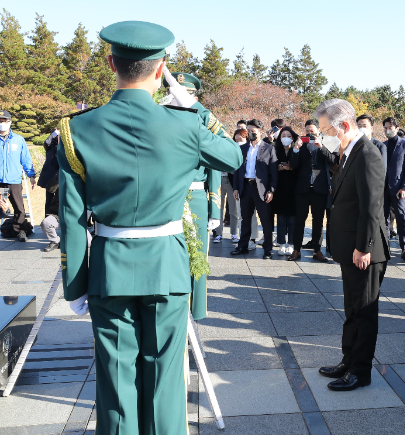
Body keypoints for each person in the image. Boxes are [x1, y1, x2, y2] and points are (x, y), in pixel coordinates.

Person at [57, 21, 242, 435]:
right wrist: (196, 109)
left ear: (111, 64)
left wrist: (75, 285)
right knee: (164, 381)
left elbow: (70, 217)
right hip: (168, 267)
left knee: (117, 385)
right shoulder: (186, 124)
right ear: (161, 70)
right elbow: (232, 156)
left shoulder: (77, 128)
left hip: (110, 270)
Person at [314, 99, 390, 391]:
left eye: (325, 130)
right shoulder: (348, 151)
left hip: (365, 250)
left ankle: (361, 371)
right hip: (352, 247)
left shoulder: (367, 153)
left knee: (364, 311)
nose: (323, 136)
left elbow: (372, 207)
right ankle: (349, 360)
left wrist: (364, 247)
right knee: (352, 308)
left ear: (344, 125)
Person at [161, 71, 225, 320]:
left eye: (185, 93)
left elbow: (215, 166)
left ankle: (195, 310)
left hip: (196, 198)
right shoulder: (161, 117)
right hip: (166, 196)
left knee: (196, 258)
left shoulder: (200, 121)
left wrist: (215, 209)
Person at [288, 119, 338, 262]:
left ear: (318, 130)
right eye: (307, 131)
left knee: (318, 221)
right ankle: (296, 250)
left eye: (312, 130)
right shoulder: (300, 144)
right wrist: (296, 149)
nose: (309, 133)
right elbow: (293, 164)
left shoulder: (327, 143)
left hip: (320, 187)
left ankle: (317, 250)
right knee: (299, 220)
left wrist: (321, 147)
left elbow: (333, 161)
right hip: (302, 188)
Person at [231, 119, 278, 259]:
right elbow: (237, 170)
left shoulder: (269, 149)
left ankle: (267, 250)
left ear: (260, 131)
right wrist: (236, 188)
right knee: (245, 219)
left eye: (253, 131)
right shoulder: (242, 149)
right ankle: (242, 246)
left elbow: (273, 173)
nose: (251, 133)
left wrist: (271, 190)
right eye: (249, 131)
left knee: (265, 220)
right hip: (245, 187)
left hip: (262, 190)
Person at [0, 110, 36, 242]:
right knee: (2, 205)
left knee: (19, 208)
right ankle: (6, 222)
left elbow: (26, 159)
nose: (2, 123)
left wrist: (31, 175)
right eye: (0, 121)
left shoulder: (18, 139)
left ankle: (19, 231)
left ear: (10, 122)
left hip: (14, 180)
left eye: (4, 121)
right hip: (0, 182)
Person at [382, 117, 405, 253]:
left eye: (390, 127)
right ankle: (384, 243)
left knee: (401, 216)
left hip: (398, 187)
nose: (388, 130)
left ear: (397, 128)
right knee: (383, 216)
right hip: (383, 187)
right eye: (386, 127)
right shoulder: (383, 145)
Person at [216, 129, 248, 243]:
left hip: (231, 181)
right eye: (236, 139)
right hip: (219, 180)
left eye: (241, 139)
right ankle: (218, 233)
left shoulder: (238, 151)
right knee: (218, 208)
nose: (238, 141)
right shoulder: (219, 149)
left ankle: (233, 233)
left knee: (233, 209)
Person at [272, 126, 298, 256]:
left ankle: (291, 244)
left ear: (293, 138)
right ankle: (281, 244)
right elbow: (270, 167)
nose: (286, 138)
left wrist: (291, 167)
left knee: (292, 219)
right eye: (283, 136)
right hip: (280, 188)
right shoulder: (275, 150)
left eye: (288, 136)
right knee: (281, 218)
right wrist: (279, 168)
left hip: (293, 189)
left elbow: (300, 167)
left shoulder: (296, 150)